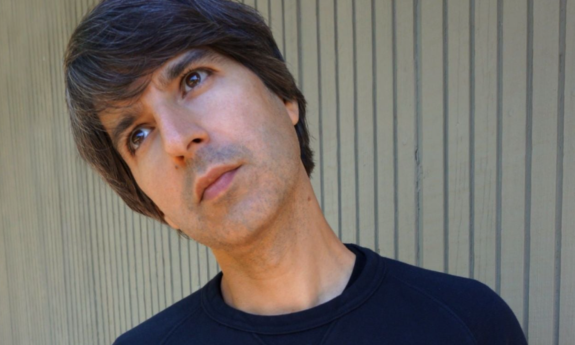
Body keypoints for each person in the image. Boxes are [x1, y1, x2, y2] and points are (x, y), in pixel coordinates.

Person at [64, 0, 527, 344]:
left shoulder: (468, 321)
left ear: (284, 97)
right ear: (152, 203)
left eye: (193, 79)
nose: (177, 140)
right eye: (138, 136)